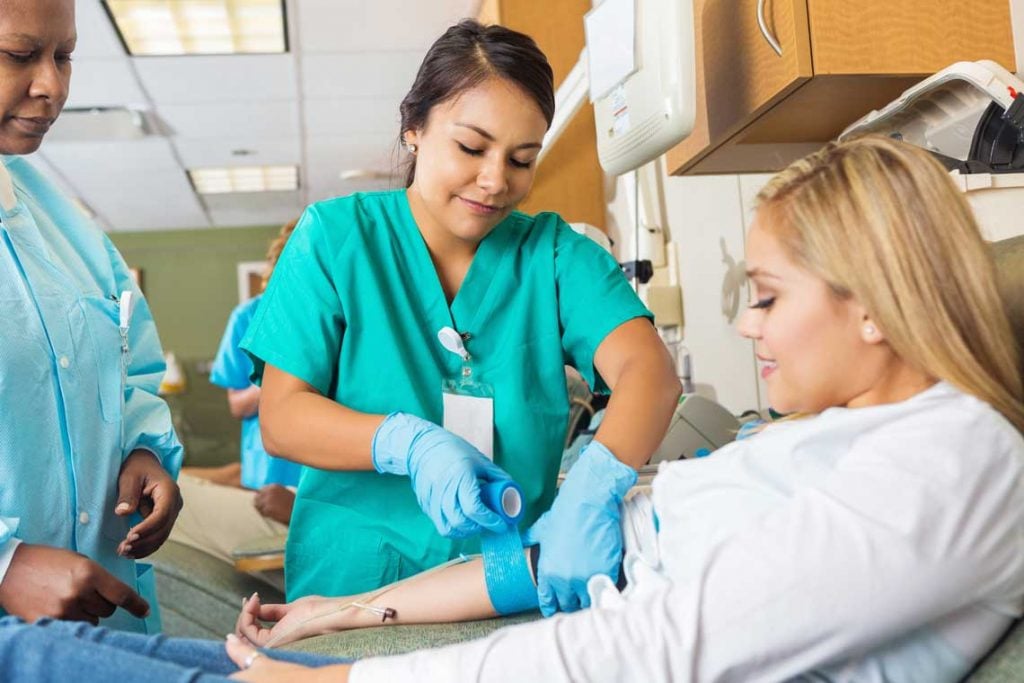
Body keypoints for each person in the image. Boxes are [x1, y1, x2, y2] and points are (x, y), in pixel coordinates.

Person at [5, 133, 1020, 683]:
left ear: (876, 305)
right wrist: (348, 609)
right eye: (467, 147)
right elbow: (561, 561)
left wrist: (354, 682)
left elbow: (660, 646)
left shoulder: (954, 464)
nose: (747, 328)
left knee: (38, 656)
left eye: (764, 295)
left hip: (553, 657)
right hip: (512, 620)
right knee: (51, 653)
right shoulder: (834, 436)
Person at [240, 18, 681, 610]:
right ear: (414, 130)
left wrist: (595, 488)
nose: (496, 180)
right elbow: (282, 416)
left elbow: (648, 374)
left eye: (522, 160)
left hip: (509, 585)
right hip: (351, 592)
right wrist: (407, 442)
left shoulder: (554, 255)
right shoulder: (335, 239)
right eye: (471, 148)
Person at [0, 0, 182, 634]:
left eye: (64, 56)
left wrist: (142, 452)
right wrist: (5, 568)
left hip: (114, 628)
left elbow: (128, 371)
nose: (51, 85)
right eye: (19, 55)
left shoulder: (65, 226)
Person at [171, 222, 302, 583]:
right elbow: (237, 405)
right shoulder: (248, 317)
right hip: (271, 469)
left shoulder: (348, 317)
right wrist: (293, 376)